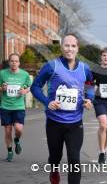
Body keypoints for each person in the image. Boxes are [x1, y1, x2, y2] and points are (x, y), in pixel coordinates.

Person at [30, 34, 94, 184]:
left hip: (75, 123)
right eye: (66, 45)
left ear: (77, 48)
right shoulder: (52, 66)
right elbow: (35, 87)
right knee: (55, 157)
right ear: (61, 47)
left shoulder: (85, 68)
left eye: (73, 46)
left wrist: (89, 99)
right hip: (54, 122)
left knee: (74, 158)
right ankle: (54, 169)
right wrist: (47, 101)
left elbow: (90, 84)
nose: (69, 49)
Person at [0, 53, 31, 162]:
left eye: (16, 61)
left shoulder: (25, 74)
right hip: (5, 106)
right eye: (12, 61)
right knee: (7, 131)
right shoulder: (2, 74)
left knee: (18, 129)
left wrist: (25, 91)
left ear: (19, 63)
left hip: (18, 106)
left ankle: (17, 140)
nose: (14, 63)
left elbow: (28, 86)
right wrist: (1, 88)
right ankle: (9, 152)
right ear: (9, 62)